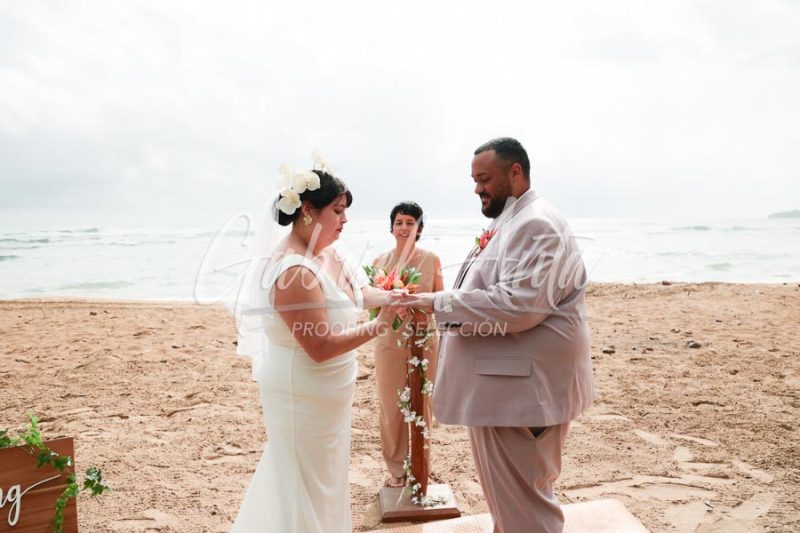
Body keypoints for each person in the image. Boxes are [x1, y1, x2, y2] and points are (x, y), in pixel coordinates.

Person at [404, 138, 595, 532]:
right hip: (507, 389)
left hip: (520, 391)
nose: (477, 189)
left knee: (527, 511)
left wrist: (435, 303)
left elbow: (519, 306)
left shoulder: (536, 223)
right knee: (511, 509)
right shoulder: (513, 218)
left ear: (516, 172)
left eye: (485, 179)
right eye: (474, 180)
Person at [231, 160, 404, 533]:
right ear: (307, 210)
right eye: (338, 211)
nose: (345, 221)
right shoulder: (293, 270)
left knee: (324, 481)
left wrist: (393, 297)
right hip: (301, 393)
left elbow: (358, 293)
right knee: (299, 483)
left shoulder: (329, 251)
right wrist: (379, 326)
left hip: (329, 397)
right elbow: (319, 346)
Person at [371, 201, 443, 488]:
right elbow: (374, 308)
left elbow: (440, 301)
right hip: (389, 340)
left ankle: (421, 466)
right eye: (399, 222)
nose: (404, 228)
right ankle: (396, 468)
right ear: (391, 227)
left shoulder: (432, 260)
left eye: (410, 223)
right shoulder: (379, 263)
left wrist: (414, 305)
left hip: (424, 339)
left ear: (420, 228)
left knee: (422, 402)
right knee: (391, 406)